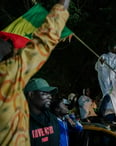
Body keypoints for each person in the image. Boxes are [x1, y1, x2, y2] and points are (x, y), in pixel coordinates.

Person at [0, 0, 70, 145]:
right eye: (8, 43)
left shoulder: (50, 119)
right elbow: (43, 42)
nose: (15, 48)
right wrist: (63, 6)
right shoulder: (7, 76)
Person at [24, 78, 60, 146]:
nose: (50, 97)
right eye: (44, 93)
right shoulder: (20, 122)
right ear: (31, 94)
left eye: (49, 94)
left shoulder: (53, 119)